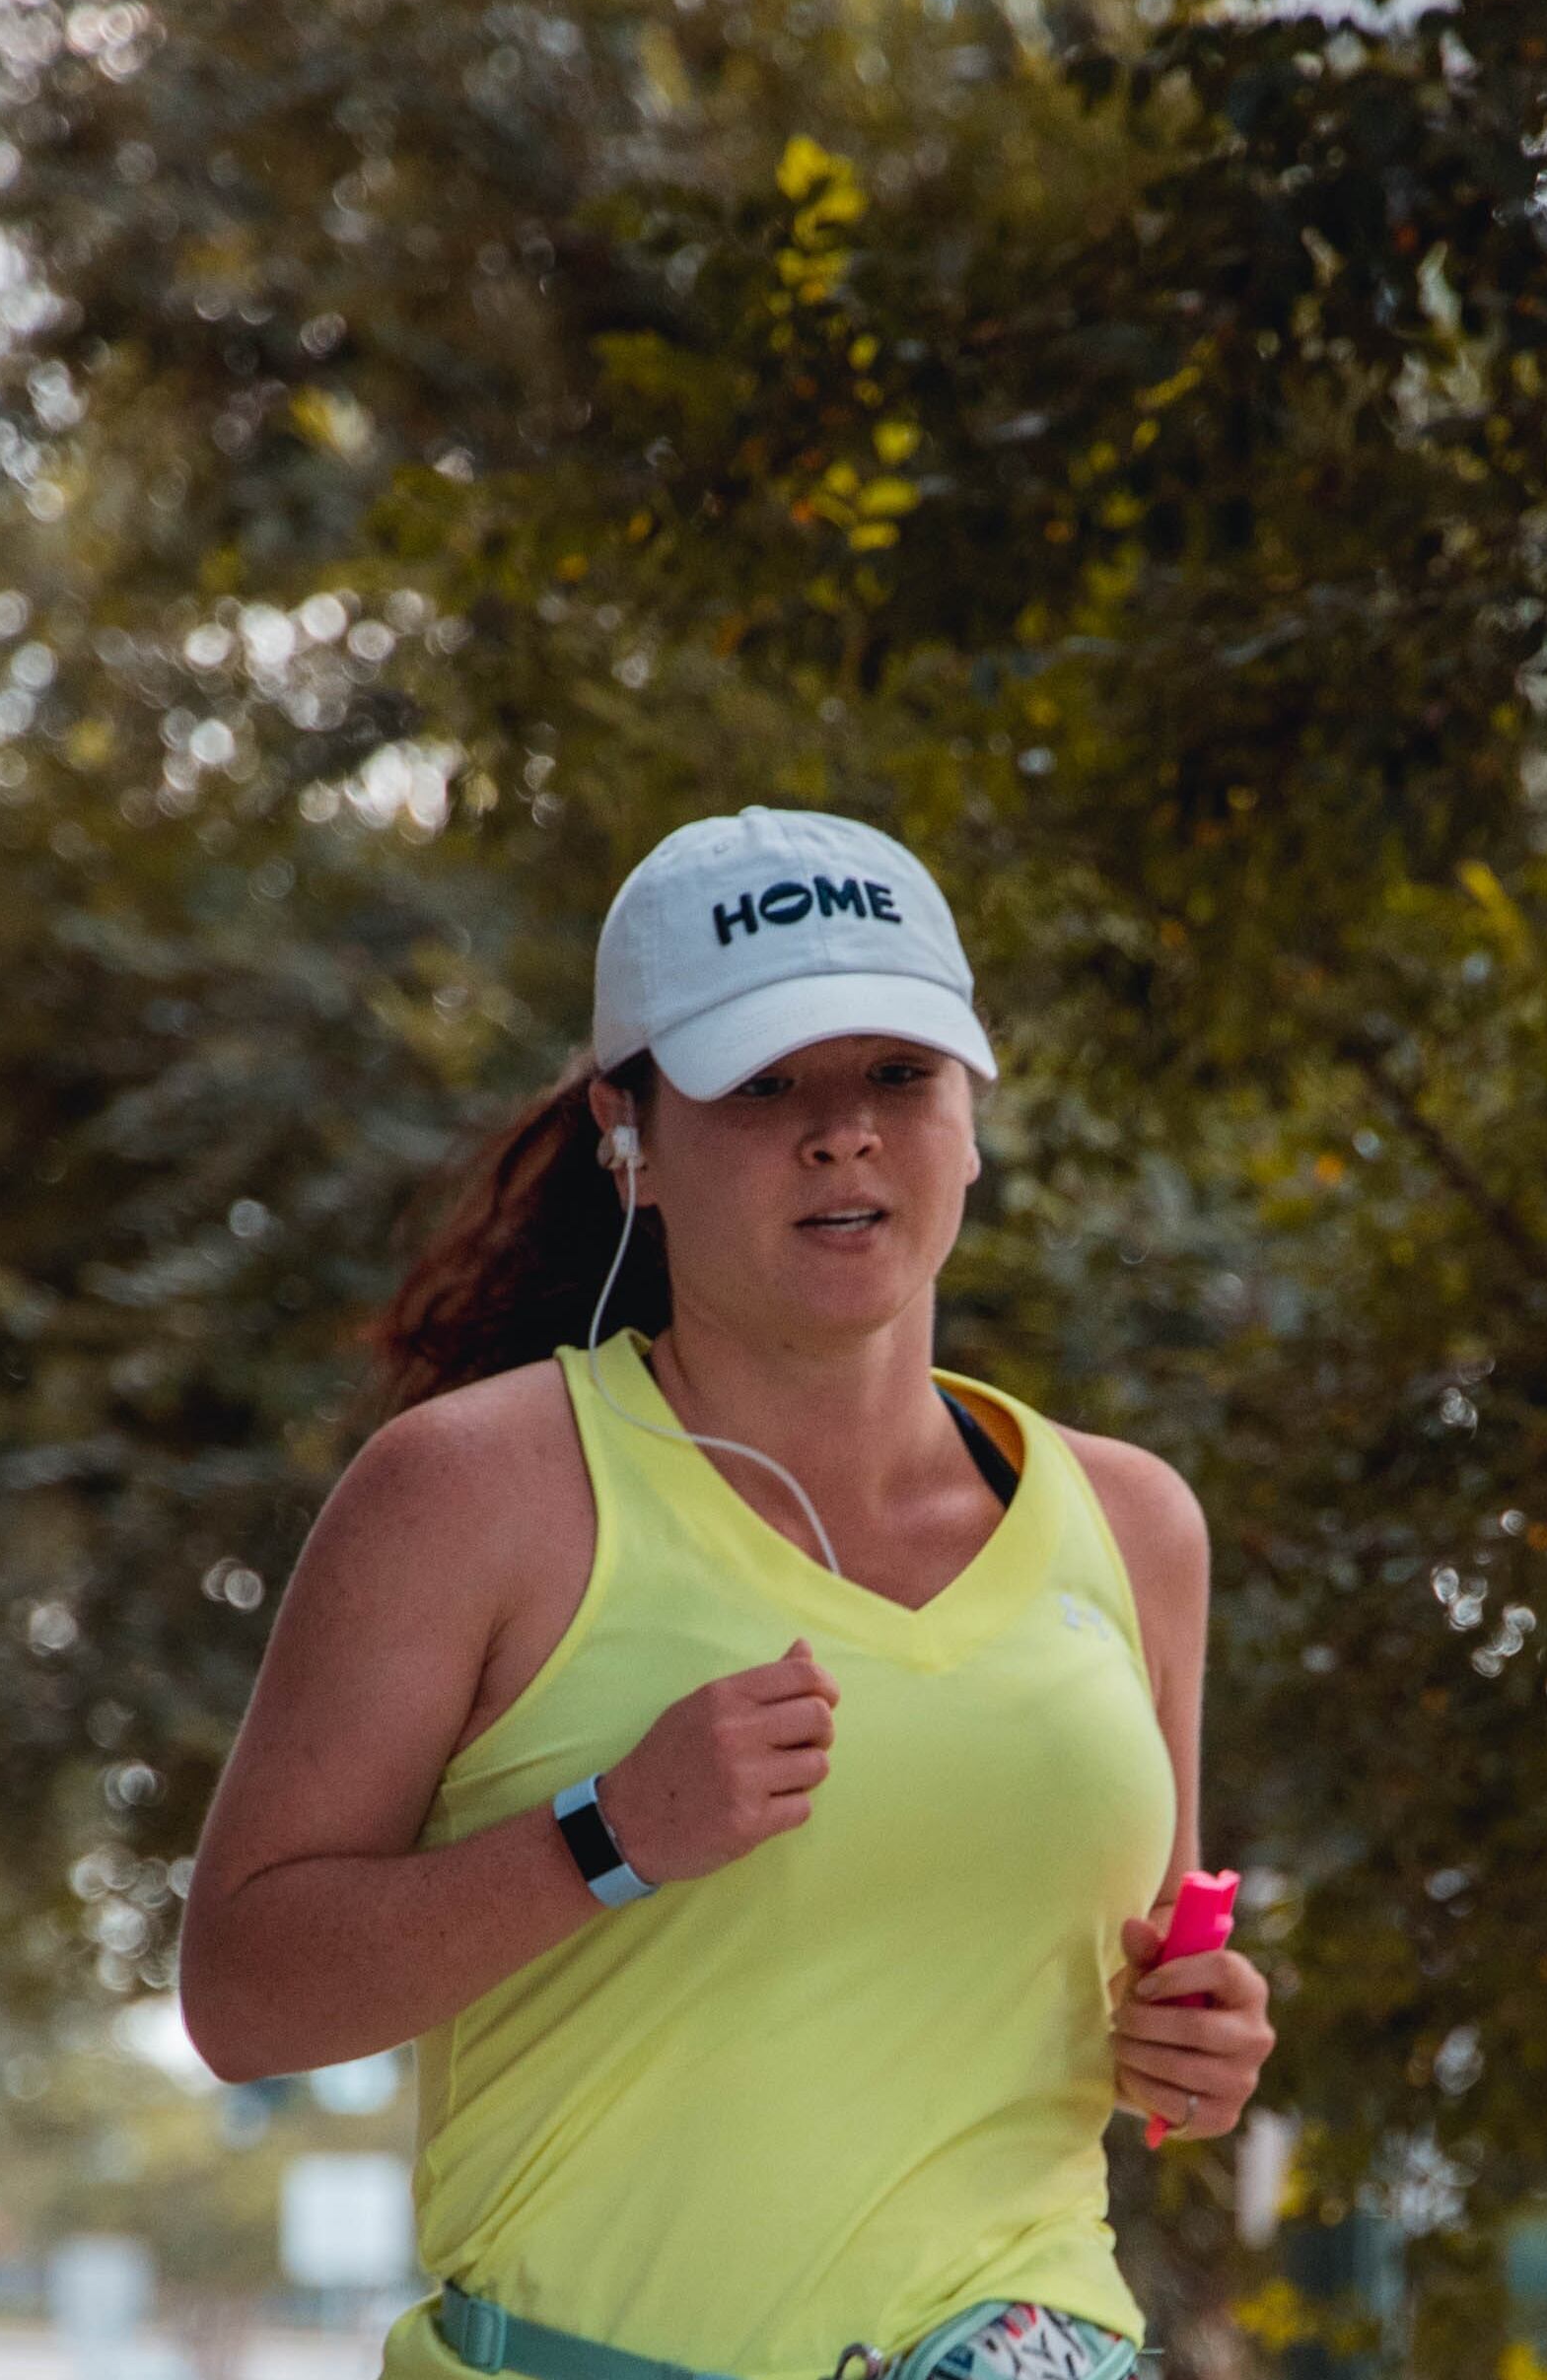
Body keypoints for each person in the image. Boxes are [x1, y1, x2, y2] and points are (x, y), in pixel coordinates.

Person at [178, 807, 1274, 2380]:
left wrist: (1197, 2047)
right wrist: (607, 1838)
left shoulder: (1135, 1525)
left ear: (970, 1119)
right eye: (762, 1085)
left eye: (898, 1073)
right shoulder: (473, 1493)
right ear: (628, 1134)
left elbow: (1144, 2006)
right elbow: (242, 2000)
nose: (843, 1134)